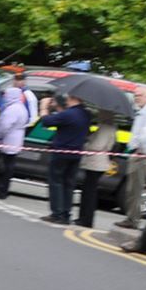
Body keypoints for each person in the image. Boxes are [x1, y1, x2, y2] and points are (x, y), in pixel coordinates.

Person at [37, 93, 91, 223]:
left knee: (56, 182)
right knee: (69, 184)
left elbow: (46, 122)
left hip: (61, 153)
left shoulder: (69, 114)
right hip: (76, 154)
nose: (66, 99)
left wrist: (44, 107)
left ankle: (57, 213)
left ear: (73, 98)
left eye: (68, 96)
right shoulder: (86, 114)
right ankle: (66, 213)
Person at [114, 86, 146, 230]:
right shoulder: (142, 112)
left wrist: (139, 149)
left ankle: (133, 219)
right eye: (135, 95)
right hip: (136, 153)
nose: (136, 97)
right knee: (131, 189)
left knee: (136, 189)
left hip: (142, 155)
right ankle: (130, 217)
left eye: (139, 95)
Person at [76, 110, 117, 227]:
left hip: (96, 162)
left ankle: (85, 219)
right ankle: (85, 218)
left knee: (89, 192)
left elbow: (97, 146)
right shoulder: (110, 127)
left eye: (101, 113)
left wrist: (86, 145)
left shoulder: (105, 127)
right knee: (89, 191)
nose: (99, 114)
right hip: (99, 162)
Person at [0, 87, 28, 198]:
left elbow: (4, 126)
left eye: (6, 95)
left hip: (6, 141)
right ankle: (3, 190)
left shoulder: (12, 109)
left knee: (0, 167)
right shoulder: (21, 108)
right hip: (15, 142)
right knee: (8, 168)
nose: (4, 97)